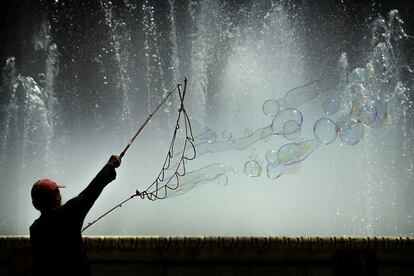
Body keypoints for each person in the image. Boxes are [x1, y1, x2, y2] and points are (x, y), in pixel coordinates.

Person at [30, 155, 122, 276]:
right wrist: (110, 165)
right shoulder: (69, 213)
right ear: (57, 196)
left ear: (35, 203)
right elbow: (93, 189)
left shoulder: (35, 228)